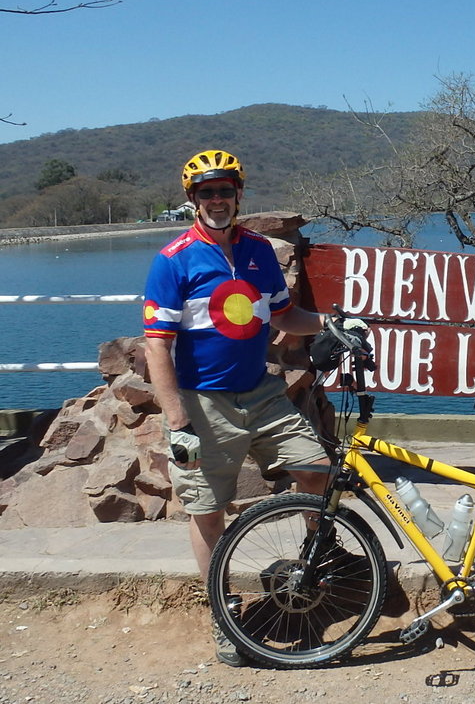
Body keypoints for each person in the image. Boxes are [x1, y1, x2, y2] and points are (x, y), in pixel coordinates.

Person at [143, 149, 330, 666]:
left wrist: (332, 324)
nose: (217, 199)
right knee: (207, 512)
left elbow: (285, 315)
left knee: (316, 471)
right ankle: (223, 614)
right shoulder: (174, 259)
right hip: (204, 403)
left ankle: (316, 560)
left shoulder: (257, 251)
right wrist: (177, 421)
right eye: (207, 192)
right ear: (192, 200)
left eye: (225, 190)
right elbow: (157, 345)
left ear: (238, 194)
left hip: (261, 391)